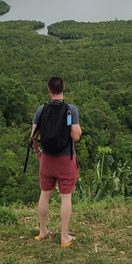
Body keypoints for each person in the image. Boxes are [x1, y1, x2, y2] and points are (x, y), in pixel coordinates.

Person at [31, 76, 81, 247]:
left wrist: (38, 152)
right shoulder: (70, 110)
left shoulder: (41, 109)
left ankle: (42, 231)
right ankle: (64, 237)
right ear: (63, 88)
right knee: (65, 197)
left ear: (48, 90)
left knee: (45, 194)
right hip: (65, 159)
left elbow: (33, 137)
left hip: (47, 159)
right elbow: (76, 136)